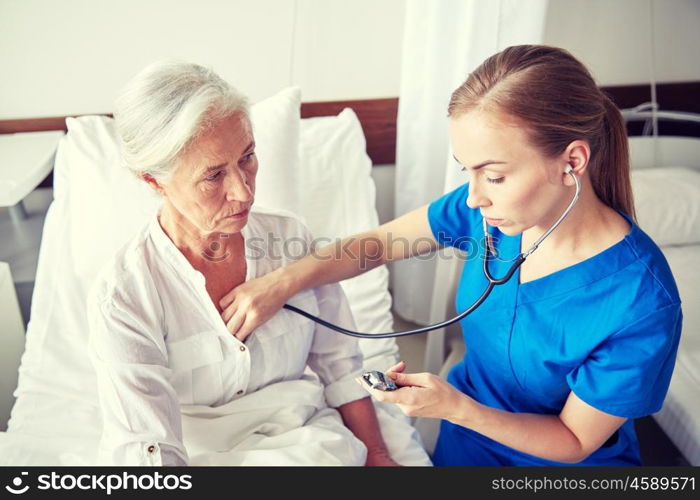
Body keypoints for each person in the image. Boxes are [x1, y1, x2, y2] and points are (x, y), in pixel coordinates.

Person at [217, 45, 683, 466]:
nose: (474, 196)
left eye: (494, 176)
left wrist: (455, 407)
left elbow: (573, 441)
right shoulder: (489, 214)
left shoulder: (640, 302)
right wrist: (283, 282)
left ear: (572, 162)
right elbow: (378, 245)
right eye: (468, 171)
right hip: (468, 442)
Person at [87, 61, 399, 466]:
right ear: (153, 180)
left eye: (248, 157)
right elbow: (150, 446)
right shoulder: (126, 294)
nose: (243, 191)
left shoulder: (289, 240)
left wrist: (377, 455)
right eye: (213, 175)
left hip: (308, 443)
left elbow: (339, 365)